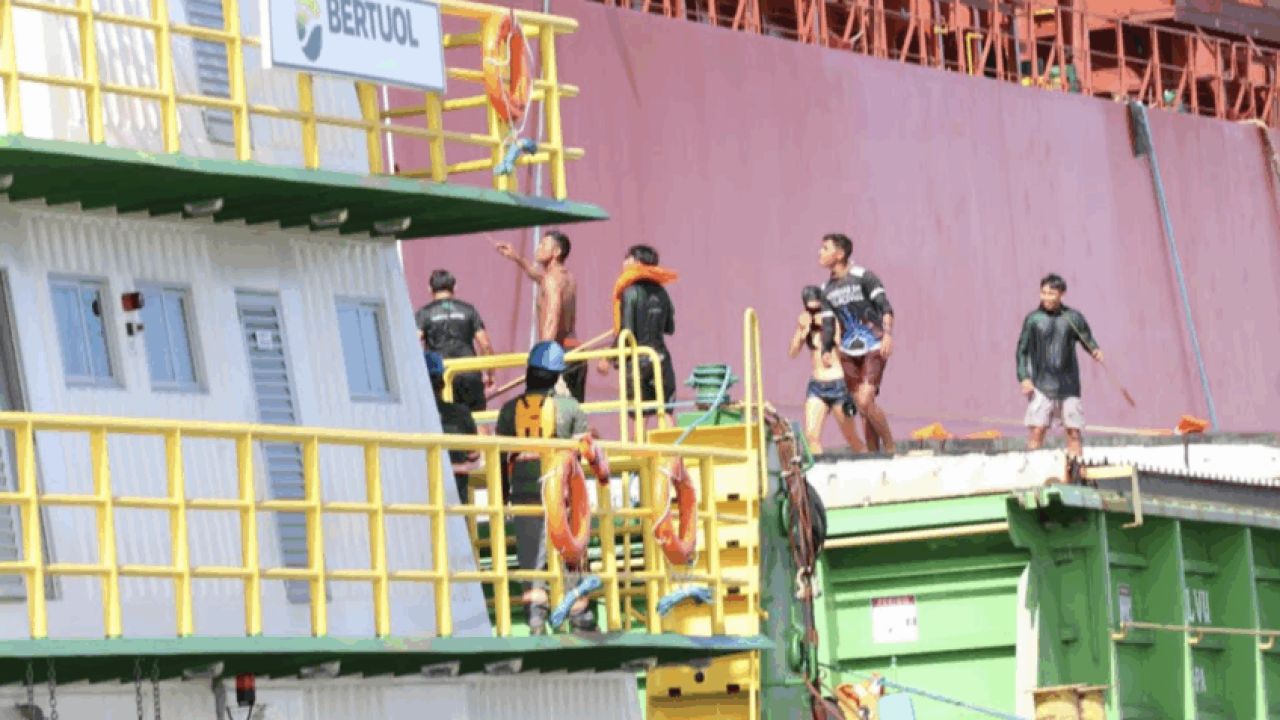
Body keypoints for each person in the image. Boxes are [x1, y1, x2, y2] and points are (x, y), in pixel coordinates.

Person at [494, 341, 596, 635]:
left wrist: (501, 498)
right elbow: (585, 453)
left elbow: (499, 457)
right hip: (562, 497)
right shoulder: (570, 408)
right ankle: (579, 617)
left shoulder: (509, 411)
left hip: (525, 494)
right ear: (556, 376)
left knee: (532, 560)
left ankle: (536, 620)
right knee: (571, 554)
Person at [817, 233, 896, 454]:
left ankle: (890, 445)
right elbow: (828, 323)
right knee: (863, 407)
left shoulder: (864, 276)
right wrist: (826, 349)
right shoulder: (826, 289)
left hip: (873, 346)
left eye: (825, 248)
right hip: (848, 352)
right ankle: (873, 452)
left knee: (865, 399)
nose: (819, 253)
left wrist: (888, 334)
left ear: (840, 254)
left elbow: (885, 307)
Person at [1016, 273, 1104, 457]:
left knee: (1073, 432)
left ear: (1061, 294)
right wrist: (1024, 377)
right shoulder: (1033, 319)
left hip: (1068, 385)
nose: (1046, 297)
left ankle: (1076, 471)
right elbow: (1021, 351)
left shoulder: (1073, 318)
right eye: (1043, 293)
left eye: (1051, 293)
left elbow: (1087, 339)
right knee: (1037, 430)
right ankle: (1033, 469)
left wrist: (1095, 350)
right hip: (1041, 384)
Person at [494, 230, 588, 403]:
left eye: (543, 245)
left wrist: (545, 358)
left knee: (554, 417)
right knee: (574, 415)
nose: (538, 248)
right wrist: (516, 258)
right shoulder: (567, 277)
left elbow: (552, 317)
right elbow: (539, 276)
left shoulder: (551, 280)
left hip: (559, 354)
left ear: (556, 252)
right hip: (575, 353)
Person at [597, 244, 679, 432]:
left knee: (639, 416)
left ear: (636, 262)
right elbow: (669, 328)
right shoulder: (662, 293)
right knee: (665, 411)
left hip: (637, 363)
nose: (624, 262)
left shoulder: (630, 292)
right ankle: (675, 458)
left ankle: (641, 459)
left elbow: (626, 333)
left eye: (627, 257)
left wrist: (609, 359)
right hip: (661, 358)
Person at [790, 286, 865, 455]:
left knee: (851, 438)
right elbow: (792, 352)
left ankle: (871, 463)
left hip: (839, 386)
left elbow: (844, 347)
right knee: (811, 436)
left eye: (817, 309)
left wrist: (825, 326)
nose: (814, 313)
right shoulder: (807, 326)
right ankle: (819, 473)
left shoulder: (833, 322)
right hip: (817, 386)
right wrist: (802, 330)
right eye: (810, 309)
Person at [415, 269, 497, 414]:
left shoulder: (424, 313)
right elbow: (484, 344)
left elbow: (413, 344)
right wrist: (490, 373)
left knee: (441, 421)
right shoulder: (469, 310)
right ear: (455, 287)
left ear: (430, 289)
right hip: (468, 373)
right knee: (478, 420)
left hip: (441, 377)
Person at [425, 352, 479, 503]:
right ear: (442, 384)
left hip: (423, 495)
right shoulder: (462, 414)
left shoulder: (410, 417)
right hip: (457, 494)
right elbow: (474, 457)